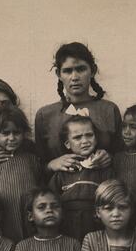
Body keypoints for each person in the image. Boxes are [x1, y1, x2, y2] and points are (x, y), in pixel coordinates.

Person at [35, 42, 121, 174]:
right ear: (59, 74)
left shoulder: (108, 110)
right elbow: (37, 166)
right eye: (67, 71)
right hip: (58, 190)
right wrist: (52, 164)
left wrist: (109, 158)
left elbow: (124, 156)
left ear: (92, 70)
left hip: (102, 188)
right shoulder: (45, 115)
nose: (74, 77)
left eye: (81, 69)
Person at [0, 106, 44, 241]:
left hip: (28, 214)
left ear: (24, 133)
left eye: (16, 132)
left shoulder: (31, 158)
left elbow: (40, 181)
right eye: (5, 133)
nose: (12, 138)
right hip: (5, 215)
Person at [49, 115, 112, 239]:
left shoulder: (104, 168)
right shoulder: (63, 170)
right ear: (67, 144)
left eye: (89, 135)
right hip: (67, 223)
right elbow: (51, 197)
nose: (85, 141)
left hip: (97, 222)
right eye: (77, 137)